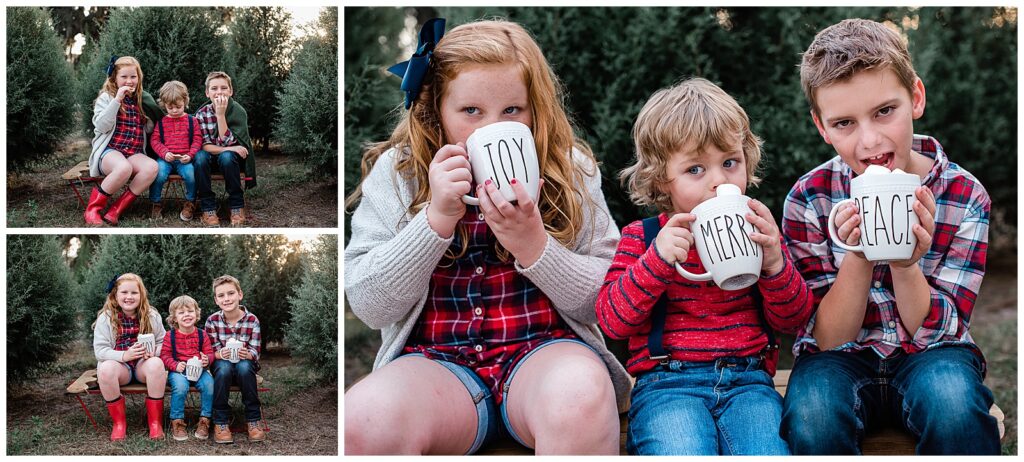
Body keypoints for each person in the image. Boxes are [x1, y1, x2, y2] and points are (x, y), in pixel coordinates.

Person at [344, 18, 628, 455]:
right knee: (362, 419)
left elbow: (609, 302)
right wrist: (435, 220)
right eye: (471, 111)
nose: (488, 128)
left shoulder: (570, 170)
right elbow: (369, 304)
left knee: (579, 395)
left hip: (545, 356)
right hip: (436, 369)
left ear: (536, 109)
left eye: (512, 111)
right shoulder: (400, 174)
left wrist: (534, 244)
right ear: (435, 109)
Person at [780, 18, 999, 455]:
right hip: (838, 359)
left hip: (933, 353)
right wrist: (858, 253)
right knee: (813, 414)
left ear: (915, 98)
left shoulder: (964, 194)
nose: (870, 139)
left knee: (955, 405)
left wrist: (906, 262)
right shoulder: (809, 198)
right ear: (821, 127)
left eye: (884, 111)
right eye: (844, 123)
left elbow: (942, 330)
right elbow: (826, 337)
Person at [597, 78, 813, 455]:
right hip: (668, 384)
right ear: (662, 178)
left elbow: (793, 321)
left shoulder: (757, 231)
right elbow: (612, 321)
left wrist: (775, 265)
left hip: (749, 382)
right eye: (696, 169)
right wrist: (658, 261)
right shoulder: (644, 238)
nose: (718, 180)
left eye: (730, 163)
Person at [92, 273, 167, 440]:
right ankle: (119, 423)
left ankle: (155, 423)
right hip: (121, 367)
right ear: (115, 295)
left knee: (156, 364)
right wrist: (125, 355)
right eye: (124, 292)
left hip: (143, 365)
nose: (129, 297)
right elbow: (100, 351)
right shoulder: (106, 318)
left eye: (134, 293)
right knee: (105, 369)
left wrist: (153, 352)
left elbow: (164, 342)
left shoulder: (151, 315)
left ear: (141, 295)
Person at [85, 56, 159, 225]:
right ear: (114, 78)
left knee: (152, 167)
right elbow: (102, 126)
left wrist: (152, 119)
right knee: (123, 168)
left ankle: (116, 209)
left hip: (133, 152)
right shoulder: (107, 98)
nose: (129, 81)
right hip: (110, 151)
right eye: (124, 77)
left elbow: (147, 129)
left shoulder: (141, 99)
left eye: (133, 76)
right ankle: (93, 209)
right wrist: (117, 100)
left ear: (138, 78)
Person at [204, 275, 264, 444]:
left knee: (244, 368)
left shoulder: (252, 320)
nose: (227, 298)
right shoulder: (212, 321)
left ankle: (253, 419)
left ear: (240, 295)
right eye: (221, 295)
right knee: (223, 369)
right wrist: (220, 353)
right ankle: (221, 422)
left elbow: (255, 350)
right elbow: (212, 350)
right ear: (216, 300)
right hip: (222, 364)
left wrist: (248, 353)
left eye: (231, 293)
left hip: (245, 364)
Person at [193, 71, 256, 226]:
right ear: (207, 93)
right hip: (208, 159)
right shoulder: (202, 114)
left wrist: (220, 116)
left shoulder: (238, 112)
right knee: (200, 157)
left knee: (227, 157)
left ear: (231, 91)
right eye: (214, 88)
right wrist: (231, 149)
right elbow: (204, 146)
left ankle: (236, 205)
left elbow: (231, 144)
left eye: (223, 88)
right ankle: (208, 207)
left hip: (231, 162)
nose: (219, 92)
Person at [159, 295, 214, 441]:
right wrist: (175, 365)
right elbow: (164, 355)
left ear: (196, 314)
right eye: (181, 312)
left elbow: (209, 352)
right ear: (174, 318)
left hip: (200, 371)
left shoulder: (202, 334)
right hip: (179, 372)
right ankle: (177, 421)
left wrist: (206, 359)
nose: (186, 315)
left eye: (190, 311)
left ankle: (204, 420)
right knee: (181, 387)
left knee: (209, 385)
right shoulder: (170, 336)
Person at [149, 81, 202, 221]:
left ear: (185, 101)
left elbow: (197, 140)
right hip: (165, 159)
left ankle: (190, 202)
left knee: (191, 175)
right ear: (164, 105)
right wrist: (165, 153)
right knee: (158, 174)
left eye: (178, 107)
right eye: (170, 107)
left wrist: (190, 155)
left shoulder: (192, 121)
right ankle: (156, 203)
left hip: (184, 159)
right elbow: (155, 140)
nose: (174, 110)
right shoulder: (161, 122)